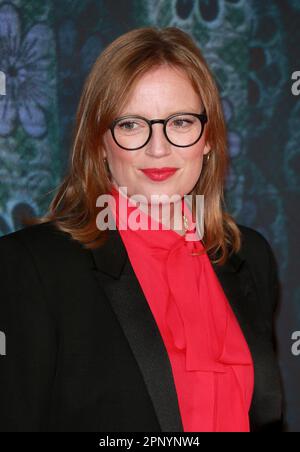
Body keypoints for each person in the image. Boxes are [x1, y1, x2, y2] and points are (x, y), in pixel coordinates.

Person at [0, 26, 283, 432]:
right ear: (100, 142)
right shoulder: (31, 266)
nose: (158, 148)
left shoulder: (248, 256)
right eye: (131, 124)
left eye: (181, 122)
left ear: (209, 137)